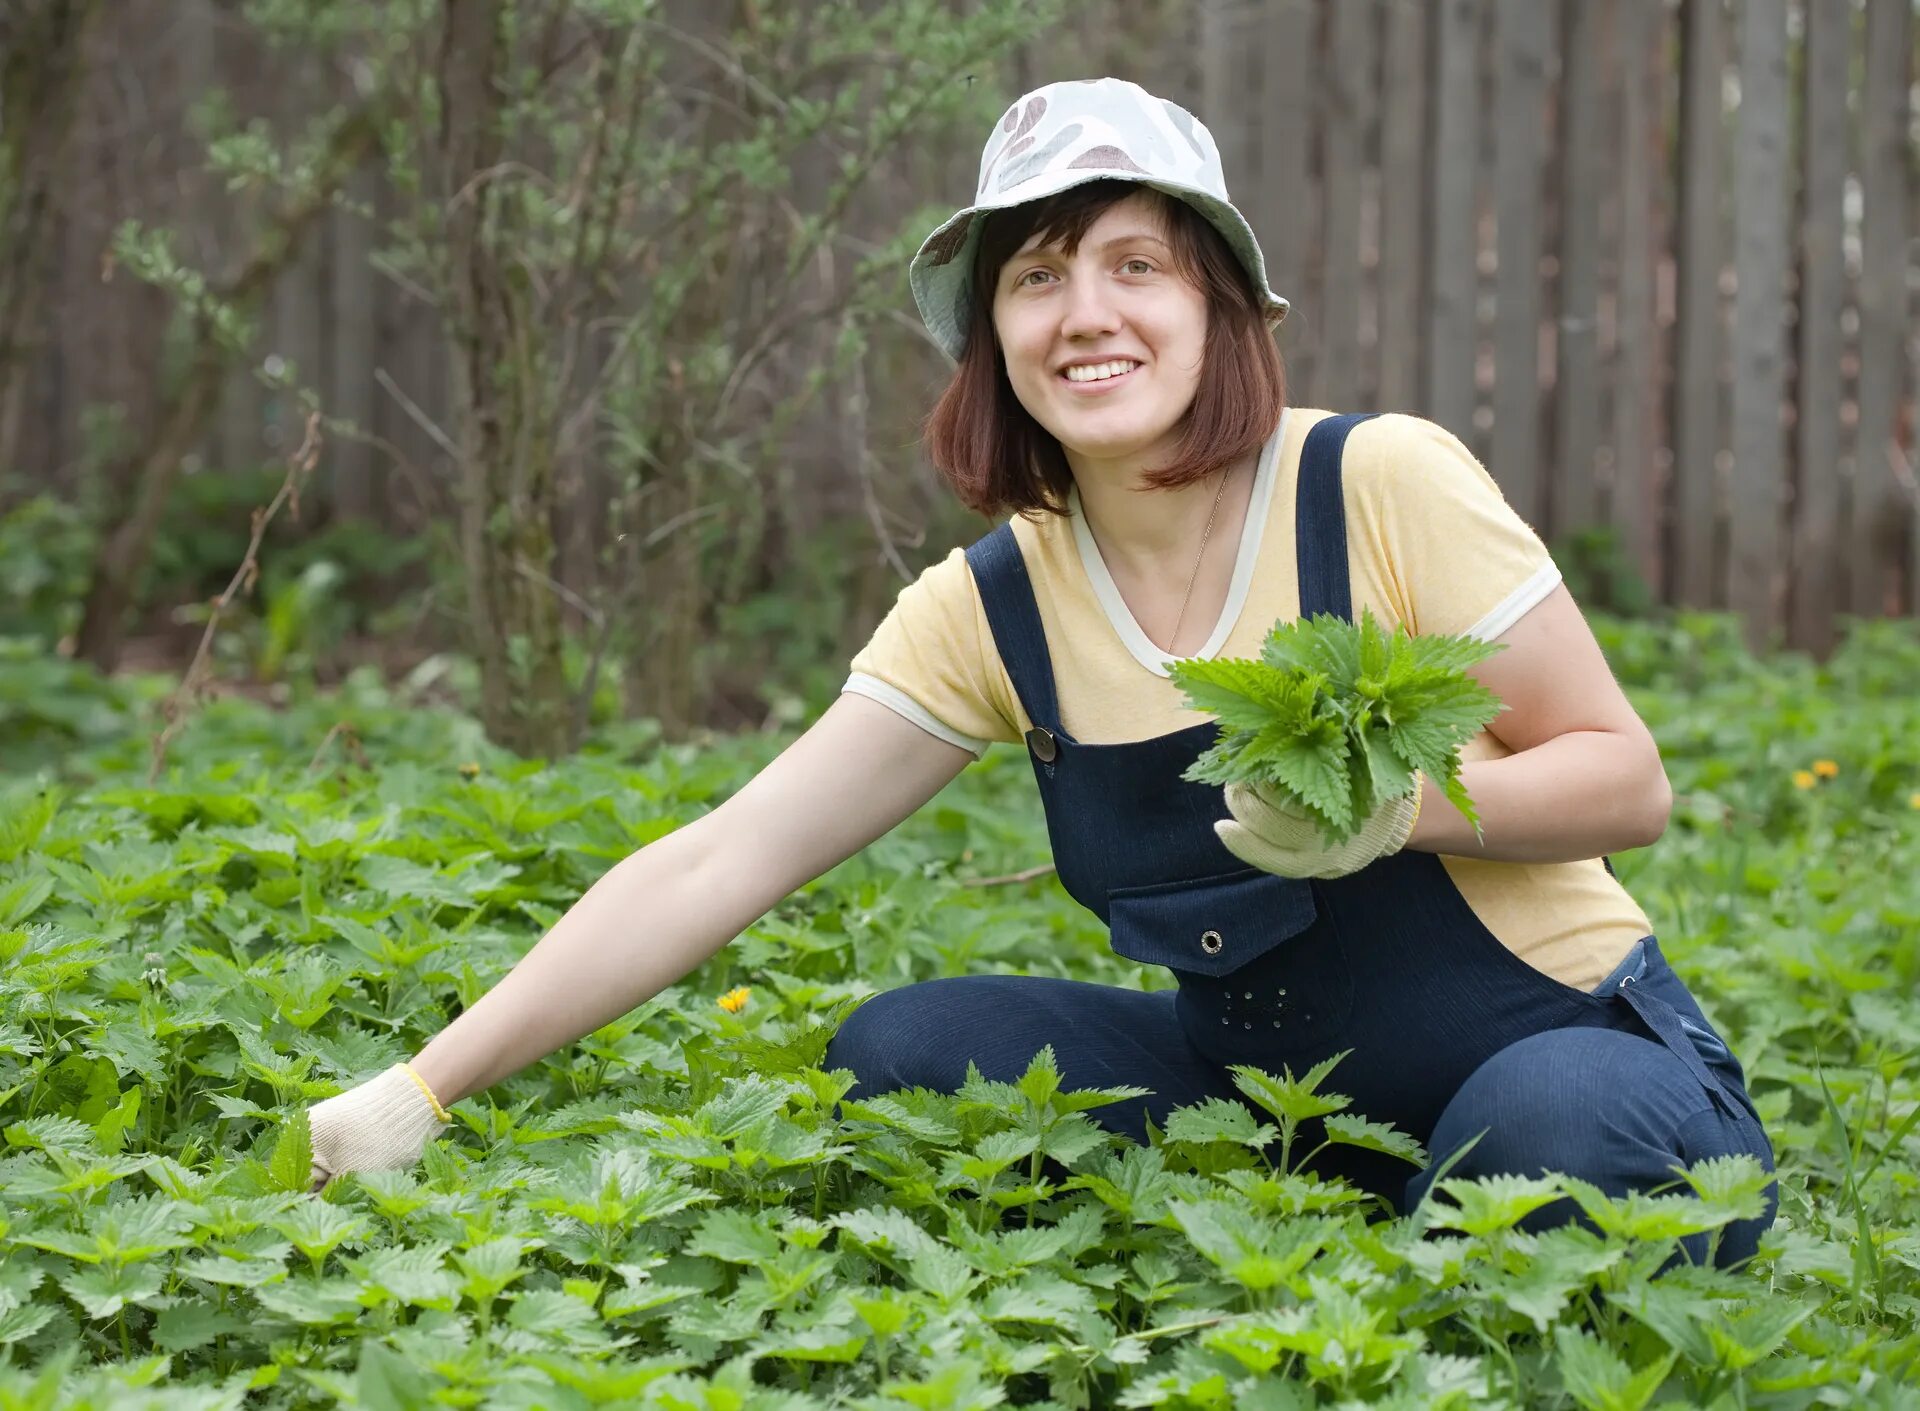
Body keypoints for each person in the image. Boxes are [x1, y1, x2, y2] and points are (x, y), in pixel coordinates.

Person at [308, 77, 1775, 1266]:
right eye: (1038, 274)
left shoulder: (1373, 482)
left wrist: (1408, 813)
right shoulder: (996, 603)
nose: (1087, 312)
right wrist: (426, 1085)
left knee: (1556, 1136)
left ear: (1219, 308)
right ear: (990, 335)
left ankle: (1473, 1219)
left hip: (1565, 1051)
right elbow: (724, 858)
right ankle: (1347, 1231)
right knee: (903, 1050)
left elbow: (1624, 778)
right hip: (1270, 1121)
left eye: (1138, 264)